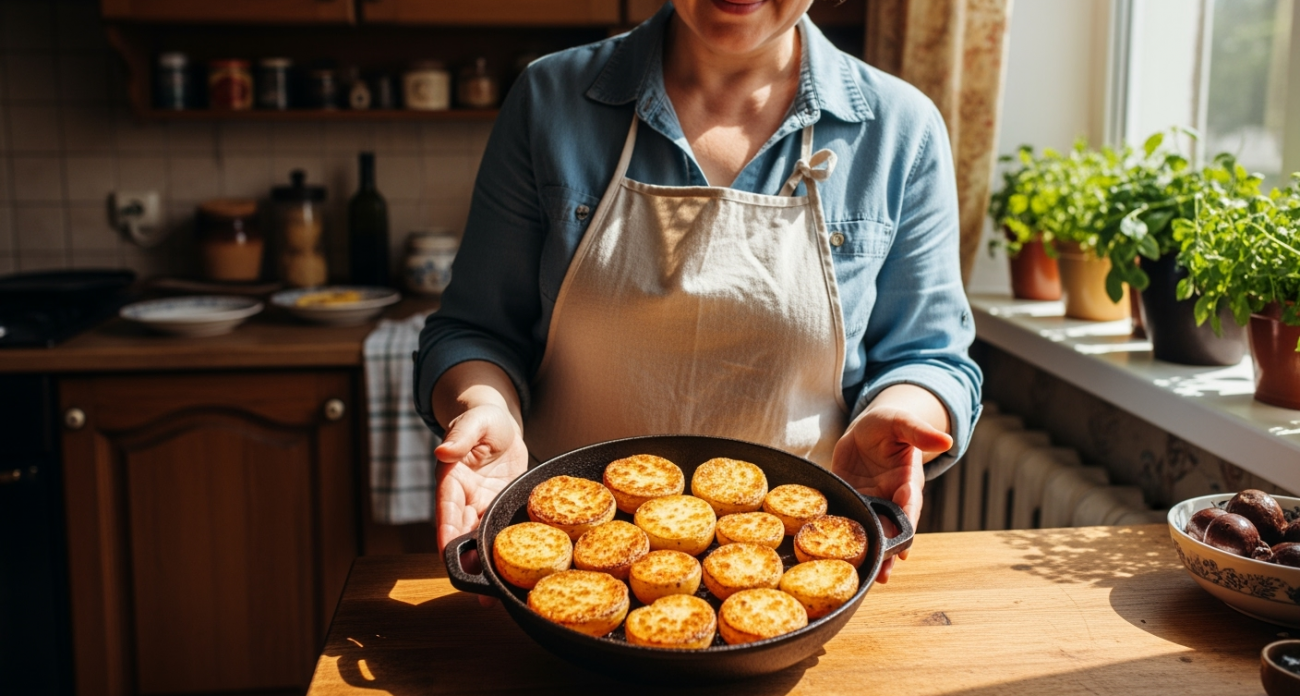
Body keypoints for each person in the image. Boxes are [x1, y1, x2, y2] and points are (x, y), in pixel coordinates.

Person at [415, 0, 982, 583]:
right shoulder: (550, 98)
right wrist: (484, 408)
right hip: (564, 559)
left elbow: (929, 356)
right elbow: (474, 332)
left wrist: (901, 411)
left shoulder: (900, 128)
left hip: (795, 565)